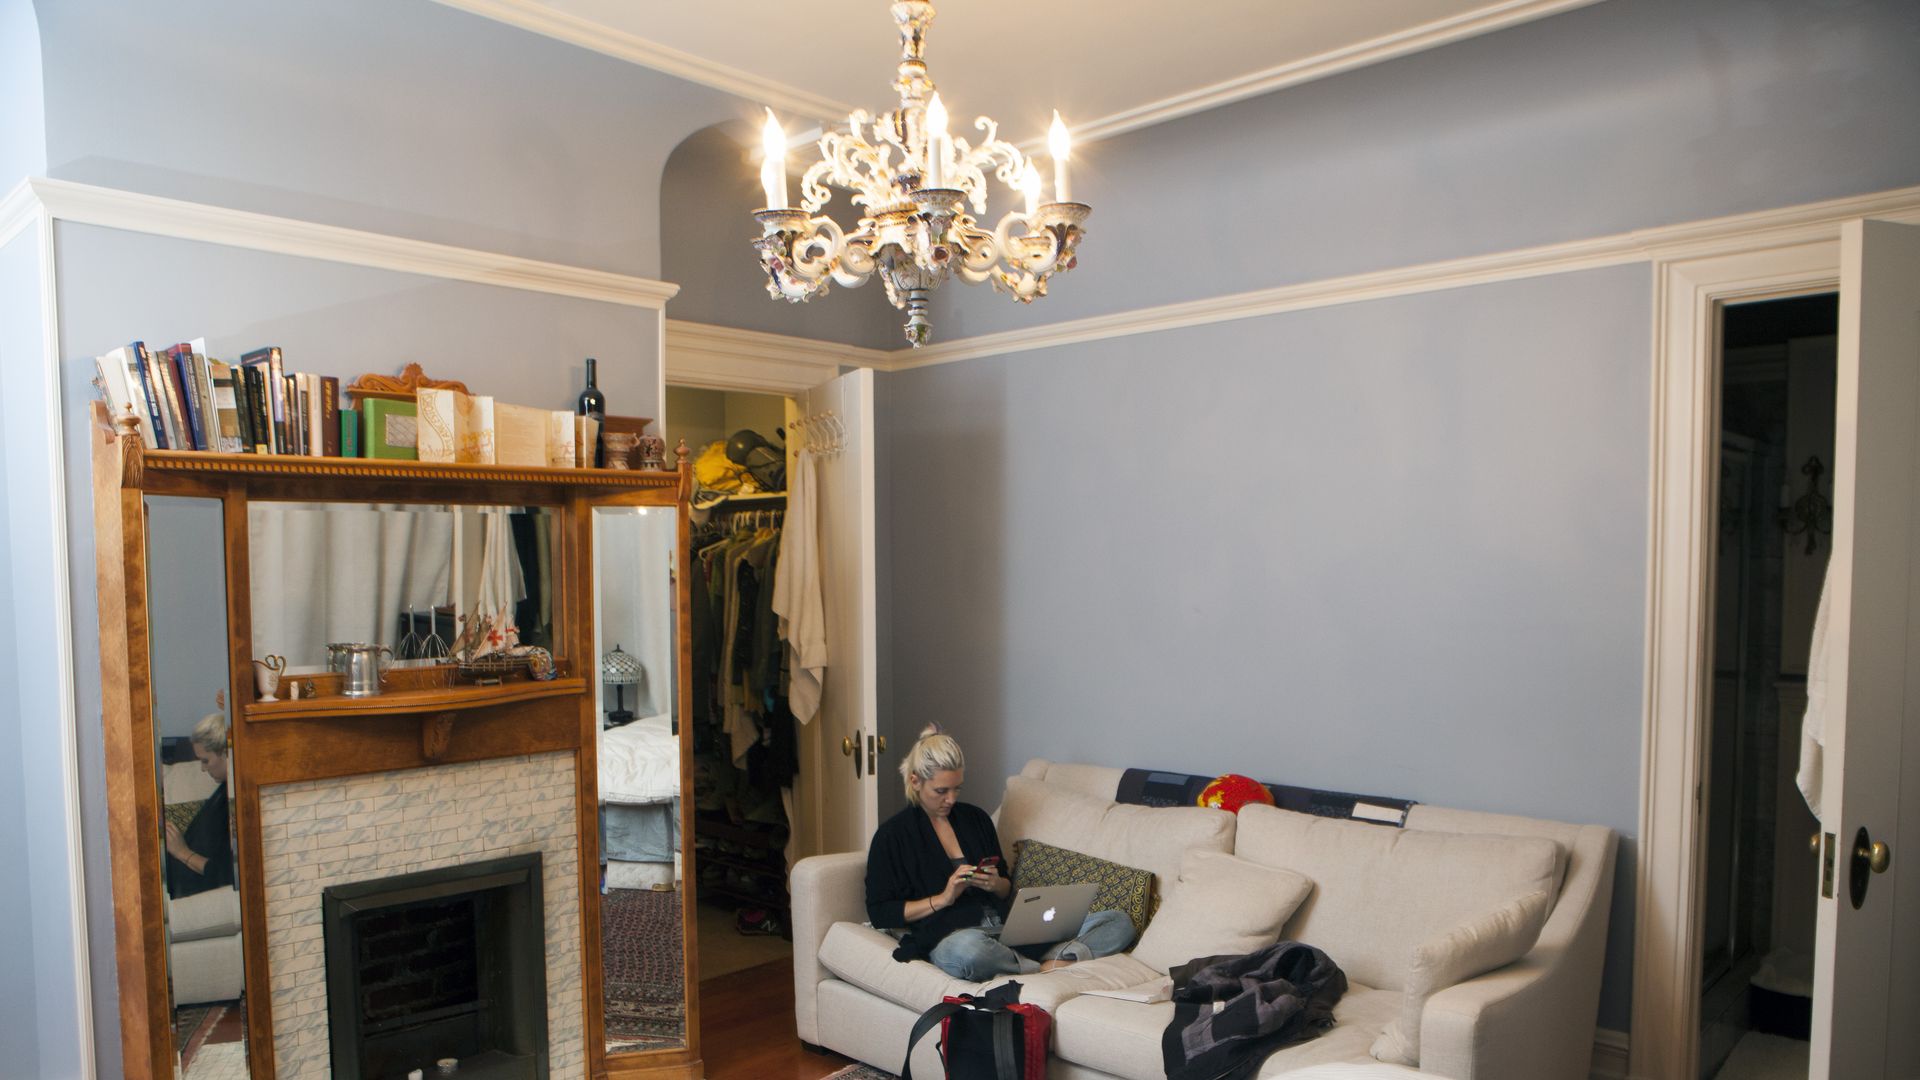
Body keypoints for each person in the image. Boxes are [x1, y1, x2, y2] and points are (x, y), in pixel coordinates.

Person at [865, 725, 1135, 981]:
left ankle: (1031, 960)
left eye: (957, 788)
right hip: (952, 936)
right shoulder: (892, 837)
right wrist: (943, 898)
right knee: (967, 952)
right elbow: (880, 913)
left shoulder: (976, 819)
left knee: (1118, 922)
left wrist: (996, 884)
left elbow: (1006, 888)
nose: (951, 799)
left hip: (1007, 929)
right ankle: (1045, 966)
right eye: (941, 791)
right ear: (915, 782)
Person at [165, 712, 234, 899]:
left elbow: (226, 874)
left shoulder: (236, 803)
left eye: (206, 760)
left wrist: (182, 853)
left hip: (206, 894)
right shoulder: (223, 790)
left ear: (226, 754)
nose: (203, 769)